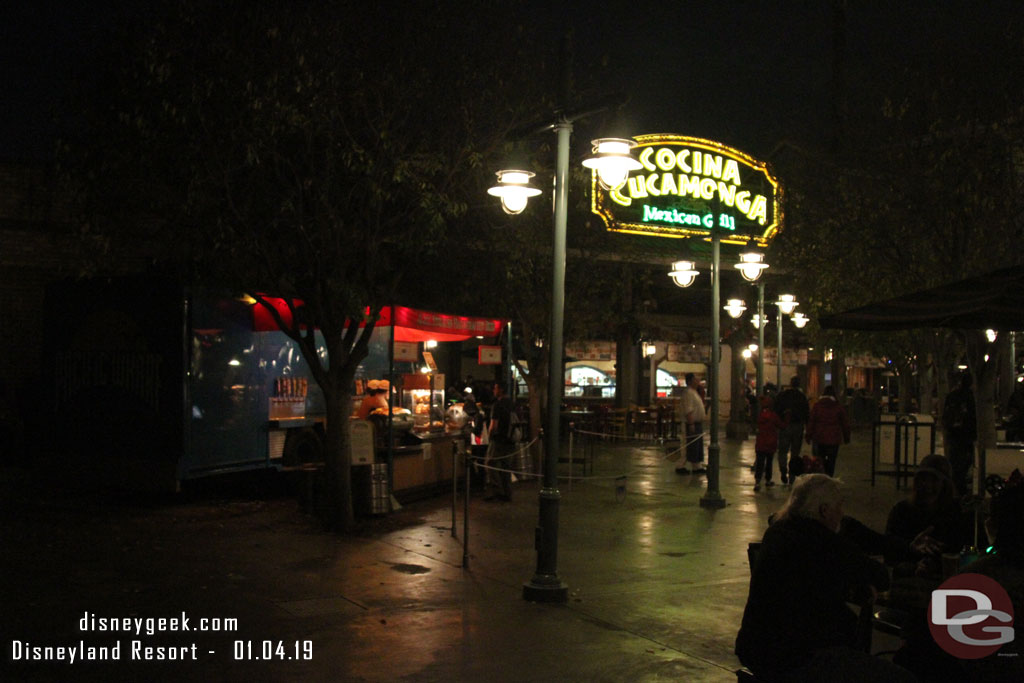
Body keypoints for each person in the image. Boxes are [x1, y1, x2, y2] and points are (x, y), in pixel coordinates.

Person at [735, 474, 914, 682]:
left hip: (757, 648)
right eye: (839, 506)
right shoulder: (824, 542)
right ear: (824, 510)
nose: (842, 513)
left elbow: (813, 579)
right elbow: (880, 576)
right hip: (799, 656)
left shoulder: (778, 531)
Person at [884, 454, 967, 575]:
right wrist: (911, 552)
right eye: (923, 479)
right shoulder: (902, 510)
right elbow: (890, 549)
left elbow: (964, 549)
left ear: (945, 485)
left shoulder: (956, 512)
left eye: (934, 480)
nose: (927, 485)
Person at [942, 370, 977, 495]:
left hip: (954, 435)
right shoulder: (971, 397)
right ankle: (959, 490)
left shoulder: (952, 396)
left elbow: (946, 416)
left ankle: (955, 488)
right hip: (966, 436)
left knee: (955, 462)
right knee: (963, 464)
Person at [806, 385, 851, 477]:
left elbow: (812, 422)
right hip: (833, 439)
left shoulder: (817, 406)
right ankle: (829, 477)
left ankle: (820, 477)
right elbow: (845, 424)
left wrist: (808, 435)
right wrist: (846, 437)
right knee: (831, 461)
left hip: (819, 438)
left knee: (819, 460)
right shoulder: (838, 407)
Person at [774, 375, 810, 484]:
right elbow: (806, 413)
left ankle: (783, 470)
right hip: (798, 426)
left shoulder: (783, 395)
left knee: (783, 450)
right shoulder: (802, 397)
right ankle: (792, 476)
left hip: (785, 426)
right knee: (795, 452)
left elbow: (776, 409)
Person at [485, 383, 515, 502]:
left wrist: (489, 436)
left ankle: (497, 492)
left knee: (490, 464)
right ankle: (507, 493)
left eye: (495, 388)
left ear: (501, 390)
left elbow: (494, 425)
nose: (493, 390)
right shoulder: (512, 404)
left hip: (498, 439)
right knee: (505, 467)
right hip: (510, 439)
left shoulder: (497, 405)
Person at [676, 372, 706, 475]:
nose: (697, 381)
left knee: (696, 445)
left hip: (697, 422)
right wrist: (691, 423)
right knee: (688, 444)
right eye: (695, 379)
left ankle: (696, 465)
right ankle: (680, 465)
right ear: (690, 381)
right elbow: (688, 409)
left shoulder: (694, 392)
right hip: (691, 423)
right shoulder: (688, 393)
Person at [753, 394, 783, 491]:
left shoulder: (760, 416)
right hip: (771, 443)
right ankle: (768, 480)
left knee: (760, 462)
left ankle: (757, 481)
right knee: (769, 462)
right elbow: (781, 425)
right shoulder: (774, 416)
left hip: (761, 443)